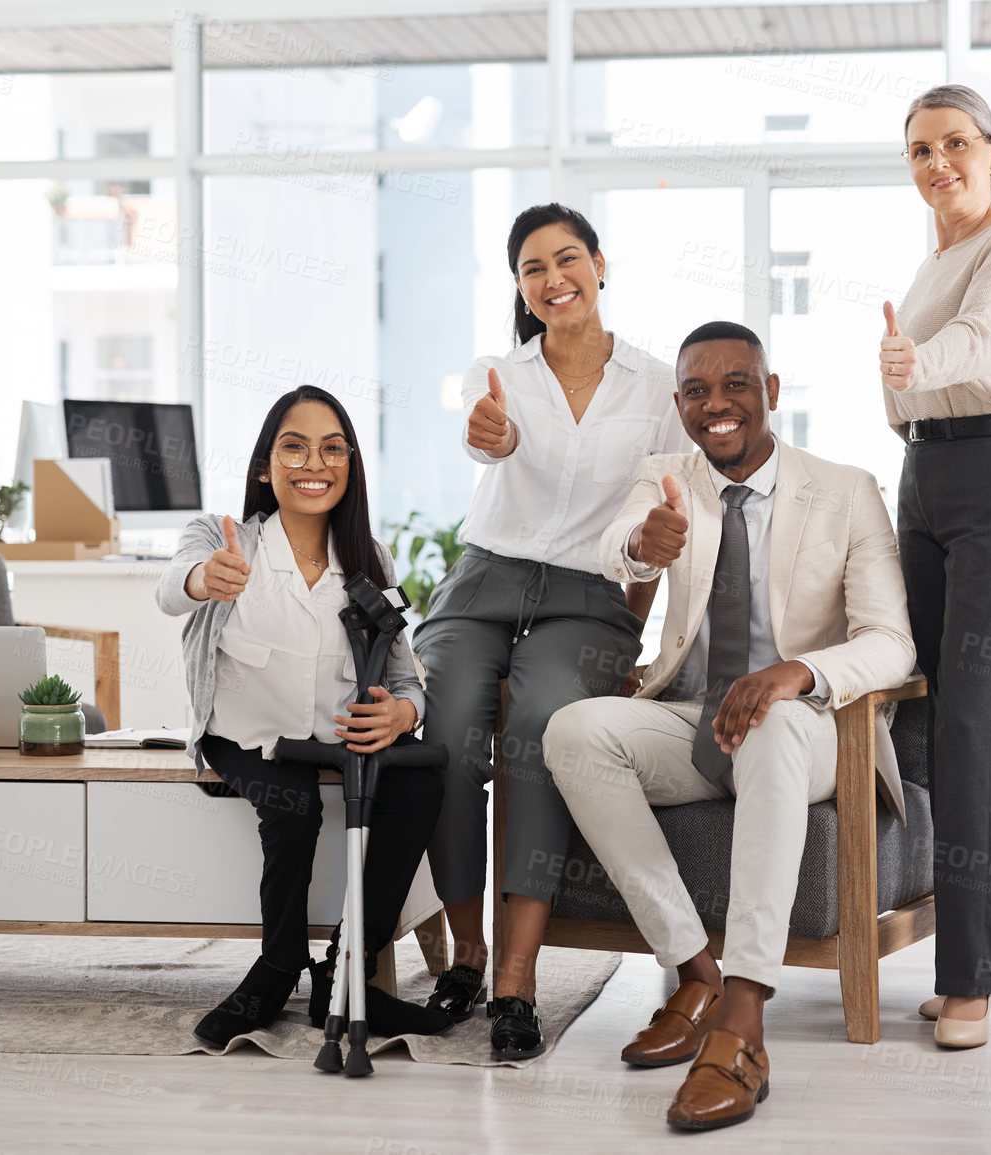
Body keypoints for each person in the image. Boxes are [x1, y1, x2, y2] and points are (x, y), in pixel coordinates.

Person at [543, 321, 916, 1130]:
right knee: (574, 730)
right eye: (695, 391)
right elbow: (624, 547)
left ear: (770, 393)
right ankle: (693, 967)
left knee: (776, 722)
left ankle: (743, 1016)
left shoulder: (844, 488)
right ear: (678, 405)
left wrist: (798, 673)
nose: (716, 405)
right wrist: (645, 544)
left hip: (811, 730)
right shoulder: (666, 476)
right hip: (696, 715)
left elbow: (891, 642)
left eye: (735, 384)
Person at [416, 203, 690, 1061]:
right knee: (448, 729)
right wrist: (488, 433)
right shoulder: (497, 373)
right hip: (483, 579)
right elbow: (485, 436)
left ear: (600, 265)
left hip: (588, 596)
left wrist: (630, 636)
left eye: (566, 259)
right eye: (532, 268)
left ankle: (516, 978)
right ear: (520, 287)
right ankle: (464, 953)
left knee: (543, 732)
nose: (552, 278)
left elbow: (659, 519)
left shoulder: (655, 386)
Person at [157, 385, 452, 1048]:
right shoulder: (223, 537)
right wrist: (206, 577)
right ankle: (275, 967)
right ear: (265, 464)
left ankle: (347, 974)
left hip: (336, 742)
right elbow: (169, 584)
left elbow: (407, 674)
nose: (312, 461)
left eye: (331, 447)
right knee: (293, 808)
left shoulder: (369, 561)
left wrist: (403, 711)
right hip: (247, 739)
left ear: (348, 466)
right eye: (293, 446)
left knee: (421, 783)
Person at [877, 84, 991, 1049]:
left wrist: (916, 361)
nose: (937, 162)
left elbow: (982, 341)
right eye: (918, 149)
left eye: (954, 143)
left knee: (974, 726)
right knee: (926, 717)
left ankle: (969, 980)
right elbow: (907, 383)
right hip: (927, 476)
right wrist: (902, 380)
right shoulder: (928, 263)